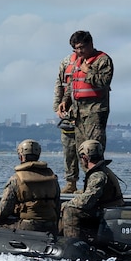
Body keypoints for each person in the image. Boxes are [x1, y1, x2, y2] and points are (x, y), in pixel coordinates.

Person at [56, 30, 112, 181]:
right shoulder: (78, 62)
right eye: (76, 48)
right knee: (82, 151)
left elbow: (104, 82)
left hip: (95, 112)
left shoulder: (103, 60)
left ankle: (99, 184)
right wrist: (65, 102)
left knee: (93, 150)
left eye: (82, 47)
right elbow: (72, 85)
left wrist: (88, 72)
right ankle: (85, 184)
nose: (80, 51)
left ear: (91, 44)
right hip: (78, 113)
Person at [60, 139, 124, 240]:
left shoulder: (97, 175)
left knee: (70, 210)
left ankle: (71, 243)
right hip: (110, 208)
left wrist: (66, 204)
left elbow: (87, 201)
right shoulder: (104, 171)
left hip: (106, 211)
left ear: (85, 157)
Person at [0, 139, 61, 233]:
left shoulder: (16, 179)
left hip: (28, 226)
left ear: (21, 157)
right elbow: (57, 205)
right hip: (50, 225)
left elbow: (5, 207)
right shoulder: (52, 177)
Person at [53, 55, 79, 194]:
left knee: (88, 150)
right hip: (67, 113)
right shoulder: (66, 62)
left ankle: (90, 183)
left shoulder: (93, 61)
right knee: (69, 150)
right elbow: (60, 84)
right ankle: (71, 183)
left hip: (86, 112)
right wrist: (57, 106)